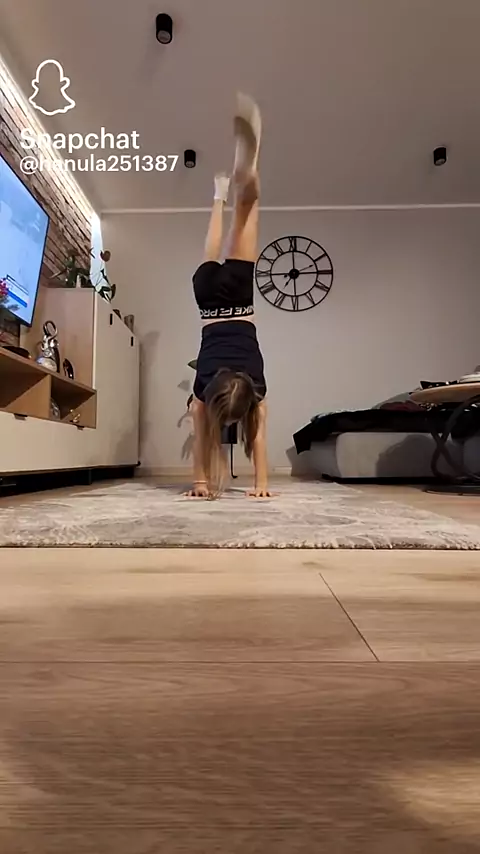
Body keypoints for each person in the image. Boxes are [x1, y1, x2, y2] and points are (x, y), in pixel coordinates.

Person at [187, 93, 271, 500]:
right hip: (207, 301)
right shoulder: (202, 391)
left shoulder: (258, 391)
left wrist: (262, 485)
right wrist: (199, 483)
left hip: (240, 300)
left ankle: (244, 181)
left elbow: (258, 440)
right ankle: (219, 195)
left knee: (250, 207)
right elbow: (204, 438)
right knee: (211, 249)